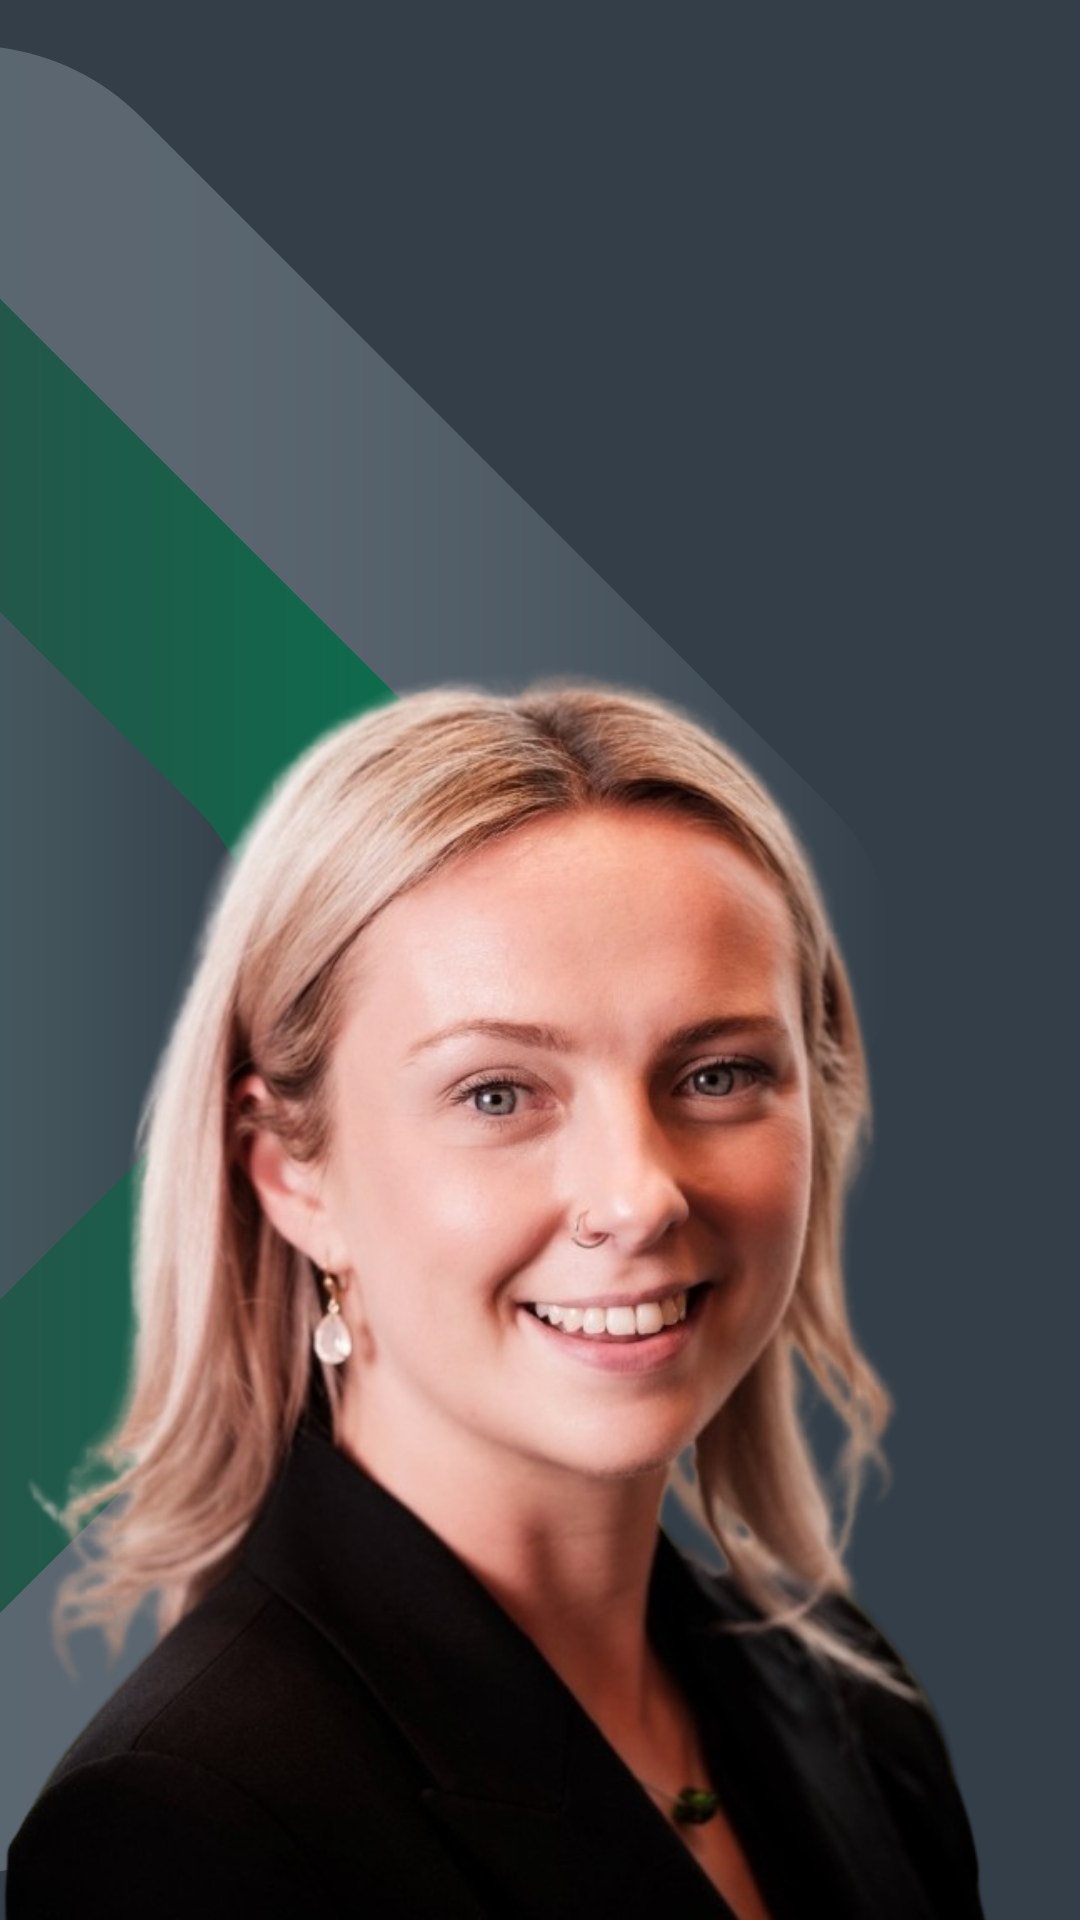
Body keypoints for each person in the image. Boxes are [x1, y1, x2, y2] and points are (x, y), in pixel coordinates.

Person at [8, 682, 983, 1918]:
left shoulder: (857, 1716)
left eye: (719, 1072)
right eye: (497, 1095)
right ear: (291, 1175)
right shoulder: (180, 1832)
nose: (637, 1197)